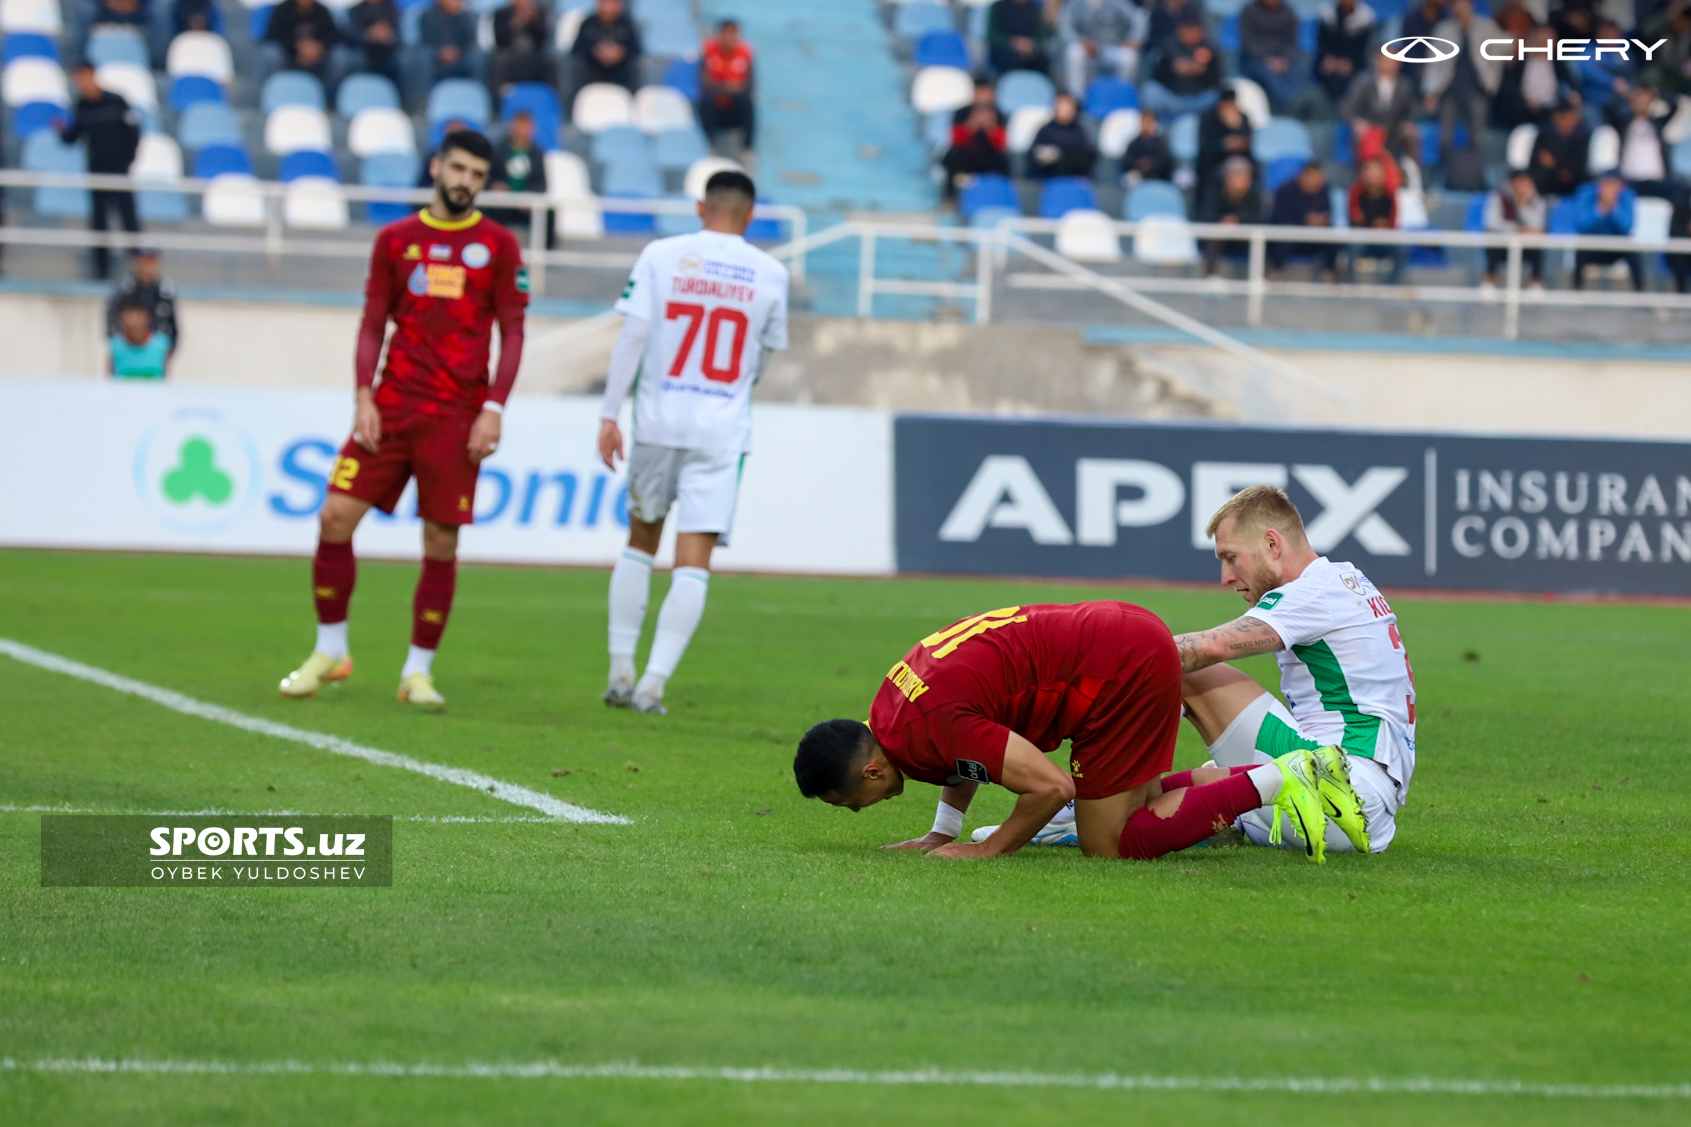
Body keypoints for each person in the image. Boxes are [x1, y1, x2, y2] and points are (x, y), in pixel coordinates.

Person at [793, 601, 1353, 864]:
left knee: (1106, 843)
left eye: (850, 803)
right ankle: (1278, 776)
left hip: (1117, 670)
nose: (857, 812)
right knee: (1142, 803)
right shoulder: (891, 708)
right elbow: (966, 755)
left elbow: (1051, 787)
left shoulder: (926, 729)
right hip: (1117, 635)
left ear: (870, 771)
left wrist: (988, 848)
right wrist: (944, 832)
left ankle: (1280, 778)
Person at [278, 130, 528, 708]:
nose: (465, 181)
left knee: (440, 540)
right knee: (335, 516)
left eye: (477, 174)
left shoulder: (499, 245)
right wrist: (363, 395)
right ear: (437, 167)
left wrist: (493, 407)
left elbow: (513, 332)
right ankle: (331, 649)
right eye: (458, 168)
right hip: (390, 407)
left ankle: (418, 671)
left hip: (457, 416)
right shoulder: (396, 239)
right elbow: (372, 324)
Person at [596, 171, 790, 715]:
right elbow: (762, 360)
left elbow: (632, 336)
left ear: (701, 208)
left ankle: (619, 669)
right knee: (693, 560)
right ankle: (654, 684)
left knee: (640, 541)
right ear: (750, 216)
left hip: (658, 422)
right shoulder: (771, 273)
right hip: (721, 433)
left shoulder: (661, 254)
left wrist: (610, 414)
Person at [1169, 486, 1414, 855]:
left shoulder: (1313, 591)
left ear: (1271, 544)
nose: (1226, 576)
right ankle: (1091, 811)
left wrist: (1098, 651)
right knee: (1190, 785)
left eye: (1231, 557)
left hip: (1339, 790)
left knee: (1184, 671)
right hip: (1365, 802)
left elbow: (1210, 647)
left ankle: (1097, 795)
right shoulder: (1345, 578)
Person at [57, 63, 141, 281]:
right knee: (99, 223)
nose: (80, 83)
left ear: (93, 75)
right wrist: (62, 131)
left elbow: (133, 132)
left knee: (129, 221)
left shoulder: (116, 101)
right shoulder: (81, 107)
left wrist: (128, 159)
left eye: (83, 77)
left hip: (120, 171)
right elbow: (74, 137)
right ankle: (101, 273)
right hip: (96, 173)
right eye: (77, 79)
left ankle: (140, 272)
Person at [1420, 0, 1502, 161]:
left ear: (1470, 5)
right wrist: (1430, 91)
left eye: (1462, 3)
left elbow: (1496, 57)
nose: (1459, 8)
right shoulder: (1443, 28)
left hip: (1477, 88)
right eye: (1455, 4)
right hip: (1449, 90)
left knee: (1478, 137)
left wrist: (1493, 82)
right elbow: (1433, 62)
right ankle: (1444, 174)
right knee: (1445, 138)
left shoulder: (1487, 27)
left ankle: (1475, 175)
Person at [1058, 0, 1146, 97]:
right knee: (1074, 52)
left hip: (1113, 49)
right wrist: (1081, 41)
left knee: (1129, 57)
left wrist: (1133, 40)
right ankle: (1077, 98)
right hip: (1087, 51)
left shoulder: (1118, 2)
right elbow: (1064, 28)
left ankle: (1122, 97)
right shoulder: (1075, 3)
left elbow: (1138, 19)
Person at [1493, 25, 1573, 130]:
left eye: (1550, 39)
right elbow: (1509, 89)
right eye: (1543, 39)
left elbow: (1569, 85)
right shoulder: (1519, 64)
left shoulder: (1558, 64)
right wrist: (1525, 101)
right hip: (1525, 109)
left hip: (1553, 109)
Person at [1339, 52, 1418, 159]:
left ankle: (1411, 171)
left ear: (1398, 63)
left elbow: (1410, 110)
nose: (1388, 63)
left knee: (1411, 135)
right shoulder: (1362, 82)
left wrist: (1408, 123)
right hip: (1369, 128)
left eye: (1392, 60)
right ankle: (1363, 171)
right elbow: (1347, 107)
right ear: (1377, 61)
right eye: (1385, 59)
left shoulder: (1405, 85)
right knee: (1359, 136)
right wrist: (1357, 122)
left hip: (1394, 129)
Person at [1572, 172, 1642, 290]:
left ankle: (1641, 292)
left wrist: (1613, 207)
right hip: (1592, 247)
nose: (1609, 189)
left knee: (1632, 249)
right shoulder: (1586, 194)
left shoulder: (1626, 196)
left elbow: (1627, 227)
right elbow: (1582, 224)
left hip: (1615, 248)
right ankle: (1576, 290)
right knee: (1580, 245)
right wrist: (1601, 209)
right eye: (1606, 184)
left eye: (1614, 185)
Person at [1141, 16, 1221, 119]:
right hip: (1173, 98)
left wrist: (1204, 70)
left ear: (1202, 31)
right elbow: (1155, 75)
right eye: (1187, 31)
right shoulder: (1168, 45)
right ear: (1179, 30)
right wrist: (1173, 68)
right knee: (1150, 90)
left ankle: (1207, 126)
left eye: (1194, 30)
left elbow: (1218, 81)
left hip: (1199, 99)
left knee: (1216, 95)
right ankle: (1156, 127)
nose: (1191, 35)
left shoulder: (1209, 47)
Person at [1268, 161, 1337, 279]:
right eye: (1313, 177)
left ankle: (1329, 275)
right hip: (1291, 237)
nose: (1316, 181)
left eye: (1319, 177)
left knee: (1333, 239)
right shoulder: (1284, 191)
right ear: (1302, 176)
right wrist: (1304, 221)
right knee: (1281, 239)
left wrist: (1320, 221)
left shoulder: (1324, 190)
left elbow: (1328, 213)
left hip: (1314, 237)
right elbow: (1279, 218)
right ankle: (1276, 273)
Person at [487, 109, 549, 238]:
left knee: (549, 214)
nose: (522, 130)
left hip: (525, 207)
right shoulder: (498, 150)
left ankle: (545, 251)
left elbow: (542, 185)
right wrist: (495, 186)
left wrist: (530, 195)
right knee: (486, 209)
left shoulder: (537, 154)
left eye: (526, 126)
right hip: (501, 204)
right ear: (512, 126)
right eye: (519, 125)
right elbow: (489, 176)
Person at [1481, 169, 1547, 289]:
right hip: (1503, 244)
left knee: (1538, 248)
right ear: (1512, 183)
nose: (1524, 187)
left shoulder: (1537, 201)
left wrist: (1522, 205)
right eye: (1521, 182)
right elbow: (1492, 223)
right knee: (1492, 245)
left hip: (1526, 246)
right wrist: (1517, 229)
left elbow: (1538, 227)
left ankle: (1535, 284)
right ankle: (1490, 282)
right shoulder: (1497, 196)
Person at [1197, 155, 1262, 276]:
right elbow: (1206, 215)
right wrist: (1223, 221)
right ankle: (1210, 276)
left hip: (1246, 237)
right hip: (1221, 235)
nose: (1240, 181)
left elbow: (1260, 218)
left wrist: (1239, 221)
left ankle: (1262, 277)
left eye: (1244, 176)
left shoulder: (1255, 195)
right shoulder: (1214, 192)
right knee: (1213, 235)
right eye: (1236, 175)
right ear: (1227, 178)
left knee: (1261, 238)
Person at [106, 248, 178, 354]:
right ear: (136, 262)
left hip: (156, 353)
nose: (147, 266)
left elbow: (173, 327)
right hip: (126, 351)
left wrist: (168, 351)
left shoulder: (165, 292)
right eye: (144, 260)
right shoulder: (124, 290)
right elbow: (112, 321)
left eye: (151, 261)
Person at [699, 20, 755, 154]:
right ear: (720, 35)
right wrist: (727, 88)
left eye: (734, 34)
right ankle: (707, 145)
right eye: (727, 34)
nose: (731, 38)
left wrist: (732, 89)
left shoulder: (745, 53)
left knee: (747, 103)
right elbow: (705, 82)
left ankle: (747, 149)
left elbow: (749, 85)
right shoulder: (709, 51)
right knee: (706, 101)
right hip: (716, 104)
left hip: (735, 106)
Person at [1238, 0, 1305, 113]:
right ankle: (1290, 104)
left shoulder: (1288, 12)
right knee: (1268, 74)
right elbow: (1248, 41)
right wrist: (1268, 59)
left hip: (1282, 60)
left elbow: (1292, 42)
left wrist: (1284, 59)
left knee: (1296, 71)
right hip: (1254, 59)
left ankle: (1295, 102)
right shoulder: (1250, 11)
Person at [1609, 85, 1674, 199]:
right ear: (1631, 102)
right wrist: (1627, 94)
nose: (1641, 104)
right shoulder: (1624, 124)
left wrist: (1657, 93)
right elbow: (1609, 107)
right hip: (1630, 179)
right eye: (1638, 101)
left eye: (1645, 101)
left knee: (1682, 190)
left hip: (1656, 179)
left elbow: (1674, 106)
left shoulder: (1658, 123)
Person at [942, 101, 1011, 199]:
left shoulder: (998, 120)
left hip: (987, 162)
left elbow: (1001, 145)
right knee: (952, 156)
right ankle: (950, 198)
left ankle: (1001, 195)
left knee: (1003, 160)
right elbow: (955, 142)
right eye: (978, 113)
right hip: (967, 161)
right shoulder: (962, 116)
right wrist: (971, 126)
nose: (981, 116)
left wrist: (990, 128)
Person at [263, 0, 343, 86]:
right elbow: (273, 35)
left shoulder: (321, 10)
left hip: (318, 60)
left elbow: (334, 36)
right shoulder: (282, 9)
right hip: (290, 58)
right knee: (271, 53)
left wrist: (319, 47)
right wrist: (297, 47)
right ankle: (281, 87)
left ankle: (327, 95)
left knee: (340, 56)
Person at [1348, 154, 1402, 280]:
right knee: (1353, 246)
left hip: (1383, 241)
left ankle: (1392, 287)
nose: (1372, 175)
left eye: (1376, 171)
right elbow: (1353, 220)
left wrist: (1384, 228)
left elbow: (1393, 224)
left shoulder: (1390, 195)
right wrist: (1373, 224)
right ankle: (1352, 285)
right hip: (1363, 242)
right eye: (1369, 170)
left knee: (1401, 249)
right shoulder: (1356, 193)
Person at [1312, 0, 1376, 107]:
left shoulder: (1366, 17)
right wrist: (1329, 58)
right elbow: (1322, 41)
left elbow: (1363, 48)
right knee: (1323, 71)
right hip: (1329, 58)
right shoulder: (1327, 14)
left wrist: (1348, 62)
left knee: (1354, 77)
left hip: (1354, 60)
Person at [571, 0, 642, 92]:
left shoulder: (626, 24)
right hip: (592, 71)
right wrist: (596, 52)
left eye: (613, 4)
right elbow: (576, 50)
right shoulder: (588, 23)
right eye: (606, 3)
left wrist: (620, 52)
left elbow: (637, 50)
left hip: (620, 73)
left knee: (634, 67)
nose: (609, 8)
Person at [1195, 88, 1252, 196]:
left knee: (1244, 170)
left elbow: (1248, 143)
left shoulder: (1242, 118)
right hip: (1213, 161)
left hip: (1238, 159)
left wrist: (1236, 127)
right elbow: (1204, 146)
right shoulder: (1208, 118)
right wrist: (1223, 145)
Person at [1027, 92, 1098, 178]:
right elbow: (1033, 157)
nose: (1064, 109)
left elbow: (1086, 158)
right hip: (1048, 178)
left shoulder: (1080, 131)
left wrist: (1061, 156)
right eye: (1061, 105)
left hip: (1074, 178)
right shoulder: (1045, 130)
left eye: (1068, 106)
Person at [1531, 100, 1591, 197]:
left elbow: (1574, 171)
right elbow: (1538, 161)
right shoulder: (1545, 135)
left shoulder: (1583, 137)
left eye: (1566, 117)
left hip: (1573, 189)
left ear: (1574, 117)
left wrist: (1555, 164)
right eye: (1560, 118)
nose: (1564, 122)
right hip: (1547, 186)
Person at [489, 0, 553, 92]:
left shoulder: (538, 13)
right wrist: (516, 22)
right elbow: (499, 40)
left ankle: (551, 95)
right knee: (498, 59)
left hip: (533, 55)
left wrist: (532, 20)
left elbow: (543, 39)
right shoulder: (502, 14)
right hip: (510, 54)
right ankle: (498, 97)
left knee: (551, 60)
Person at [419, 0, 482, 87]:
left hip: (460, 58)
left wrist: (458, 52)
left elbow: (470, 41)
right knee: (423, 57)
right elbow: (426, 41)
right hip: (436, 59)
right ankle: (422, 98)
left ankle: (478, 93)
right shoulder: (427, 16)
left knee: (477, 57)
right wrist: (440, 52)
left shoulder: (465, 16)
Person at [109, 297, 171, 380]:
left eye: (139, 314)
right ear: (120, 318)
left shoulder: (162, 345)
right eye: (129, 314)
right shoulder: (115, 346)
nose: (134, 320)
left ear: (148, 316)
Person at [987, 0, 1052, 76]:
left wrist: (1031, 45)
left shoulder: (1035, 8)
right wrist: (1013, 42)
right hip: (1005, 49)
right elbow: (992, 36)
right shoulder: (998, 7)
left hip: (1029, 50)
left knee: (1043, 59)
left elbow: (1041, 36)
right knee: (1013, 58)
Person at [348, 0, 403, 90]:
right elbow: (351, 35)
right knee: (353, 58)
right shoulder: (356, 10)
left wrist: (388, 35)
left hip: (389, 51)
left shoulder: (392, 8)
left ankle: (409, 100)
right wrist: (370, 34)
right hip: (365, 51)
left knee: (405, 59)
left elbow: (399, 35)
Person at [1121, 108, 1174, 183]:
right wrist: (1139, 164)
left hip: (1157, 177)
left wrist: (1151, 165)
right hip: (1138, 177)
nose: (1146, 125)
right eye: (1144, 122)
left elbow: (1166, 162)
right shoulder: (1133, 144)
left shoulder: (1161, 144)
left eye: (1149, 122)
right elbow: (1127, 162)